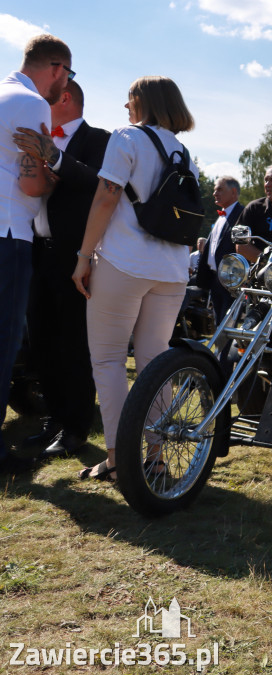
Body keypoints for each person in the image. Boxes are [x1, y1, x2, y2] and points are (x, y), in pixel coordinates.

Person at [70, 76, 197, 482]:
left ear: (143, 101)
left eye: (130, 99)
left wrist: (83, 255)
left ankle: (116, 458)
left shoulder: (127, 137)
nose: (126, 107)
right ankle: (156, 458)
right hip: (173, 272)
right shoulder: (185, 152)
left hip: (124, 263)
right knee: (154, 363)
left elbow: (107, 196)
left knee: (107, 360)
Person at [15, 80, 109, 459]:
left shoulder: (100, 139)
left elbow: (100, 184)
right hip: (36, 251)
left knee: (73, 344)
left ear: (65, 98)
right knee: (42, 342)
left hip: (76, 256)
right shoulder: (32, 135)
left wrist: (53, 157)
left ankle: (76, 428)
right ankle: (53, 420)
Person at [0, 34, 73, 473]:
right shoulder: (31, 104)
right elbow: (31, 183)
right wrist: (54, 180)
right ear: (58, 69)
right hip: (8, 232)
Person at [196, 175, 242, 323]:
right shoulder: (221, 215)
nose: (215, 193)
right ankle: (221, 347)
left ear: (234, 192)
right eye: (215, 190)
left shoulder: (242, 214)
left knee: (227, 324)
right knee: (218, 322)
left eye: (220, 189)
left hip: (231, 280)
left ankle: (226, 347)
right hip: (215, 278)